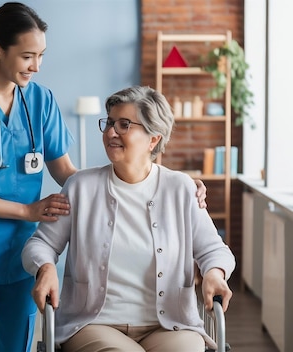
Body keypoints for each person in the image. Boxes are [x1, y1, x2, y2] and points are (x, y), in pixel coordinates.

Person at [0, 2, 208, 351]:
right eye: (28, 55)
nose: (37, 66)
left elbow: (67, 175)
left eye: (41, 55)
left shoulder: (40, 101)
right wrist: (28, 212)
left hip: (18, 253)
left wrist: (161, 184)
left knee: (15, 346)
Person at [22, 86, 235, 352]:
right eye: (110, 122)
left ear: (153, 139)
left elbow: (214, 249)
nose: (111, 132)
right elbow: (40, 244)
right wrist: (46, 268)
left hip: (171, 325)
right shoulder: (81, 187)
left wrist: (215, 273)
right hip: (95, 324)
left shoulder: (181, 188)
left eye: (124, 125)